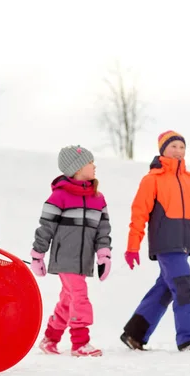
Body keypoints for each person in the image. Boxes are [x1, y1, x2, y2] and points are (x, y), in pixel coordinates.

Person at [120, 130, 190, 352]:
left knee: (165, 289)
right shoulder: (152, 180)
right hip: (165, 244)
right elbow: (139, 213)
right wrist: (133, 246)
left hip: (183, 244)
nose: (178, 151)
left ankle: (134, 333)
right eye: (173, 147)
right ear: (162, 150)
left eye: (182, 147)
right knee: (183, 286)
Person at [30, 145, 112, 357]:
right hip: (64, 258)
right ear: (76, 168)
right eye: (90, 162)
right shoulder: (59, 197)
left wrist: (104, 255)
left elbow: (103, 230)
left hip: (84, 260)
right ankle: (80, 343)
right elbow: (45, 227)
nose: (94, 166)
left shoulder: (98, 198)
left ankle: (50, 339)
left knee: (68, 300)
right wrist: (38, 255)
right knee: (79, 296)